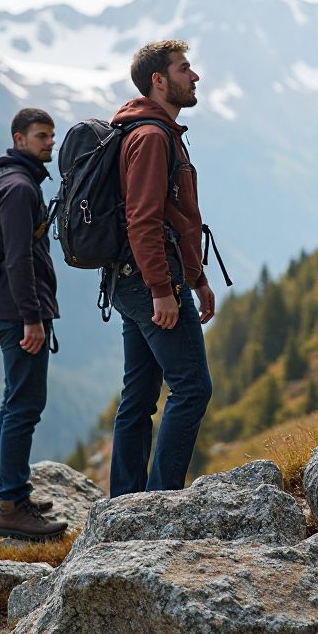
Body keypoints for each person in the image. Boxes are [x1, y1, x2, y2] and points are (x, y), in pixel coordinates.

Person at [107, 39, 215, 497]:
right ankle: (159, 500)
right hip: (151, 281)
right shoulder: (151, 138)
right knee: (192, 388)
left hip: (133, 280)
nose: (194, 77)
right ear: (159, 80)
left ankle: (126, 502)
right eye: (184, 68)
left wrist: (199, 280)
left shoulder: (153, 133)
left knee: (139, 395)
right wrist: (163, 289)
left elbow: (177, 218)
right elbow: (144, 219)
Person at [0, 107, 68, 539]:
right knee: (24, 406)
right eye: (41, 136)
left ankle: (7, 491)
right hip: (18, 314)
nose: (49, 142)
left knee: (14, 401)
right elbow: (18, 259)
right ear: (19, 140)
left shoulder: (16, 183)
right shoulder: (18, 189)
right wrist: (32, 319)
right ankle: (12, 506)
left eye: (51, 135)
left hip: (5, 310)